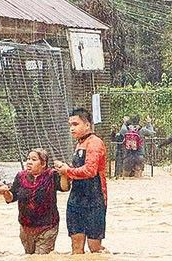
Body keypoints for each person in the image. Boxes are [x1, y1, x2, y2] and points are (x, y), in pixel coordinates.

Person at [54, 108, 108, 254]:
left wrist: (67, 170)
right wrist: (64, 170)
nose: (72, 128)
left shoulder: (95, 143)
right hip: (76, 199)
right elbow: (78, 171)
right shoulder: (79, 144)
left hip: (94, 200)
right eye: (70, 124)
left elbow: (90, 171)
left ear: (87, 125)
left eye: (75, 124)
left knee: (94, 248)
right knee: (76, 248)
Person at [0, 148, 69, 255]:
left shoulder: (51, 175)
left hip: (47, 227)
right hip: (26, 228)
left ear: (43, 163)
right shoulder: (21, 176)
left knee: (41, 257)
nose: (29, 162)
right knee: (29, 256)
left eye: (34, 159)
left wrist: (64, 174)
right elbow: (11, 198)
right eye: (28, 159)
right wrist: (5, 192)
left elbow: (64, 188)